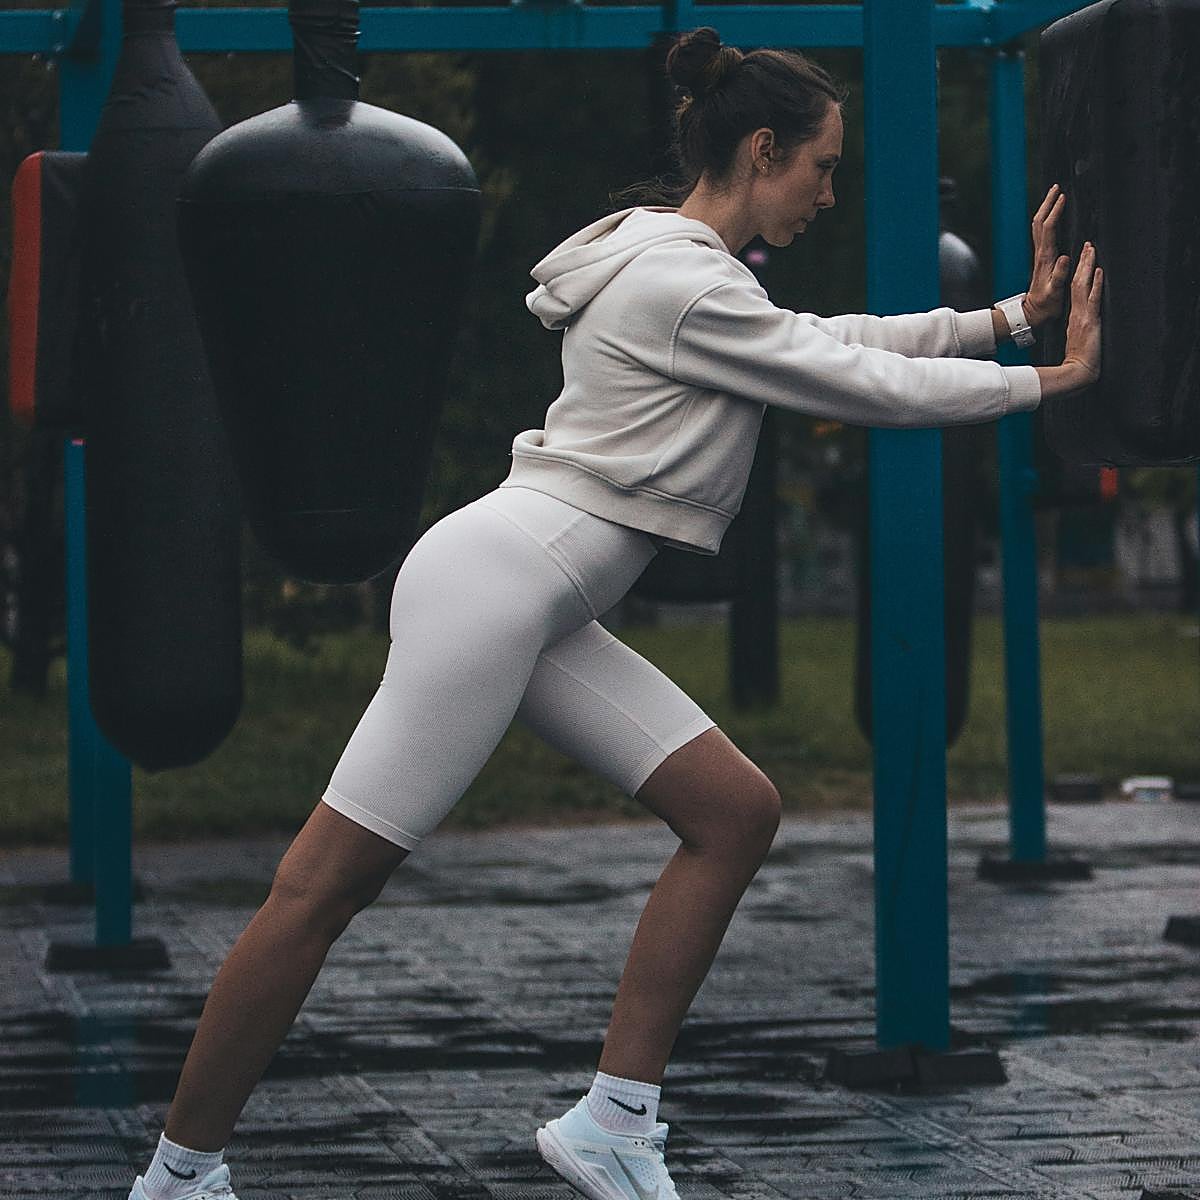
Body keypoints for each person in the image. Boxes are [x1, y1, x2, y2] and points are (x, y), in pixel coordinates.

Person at [126, 24, 1102, 1200]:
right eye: (820, 166)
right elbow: (857, 383)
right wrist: (1044, 383)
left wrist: (1006, 320)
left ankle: (614, 1120)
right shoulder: (680, 280)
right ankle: (179, 1175)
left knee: (734, 812)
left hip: (535, 592)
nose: (828, 193)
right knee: (320, 886)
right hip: (499, 586)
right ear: (759, 148)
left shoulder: (693, 272)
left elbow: (827, 344)